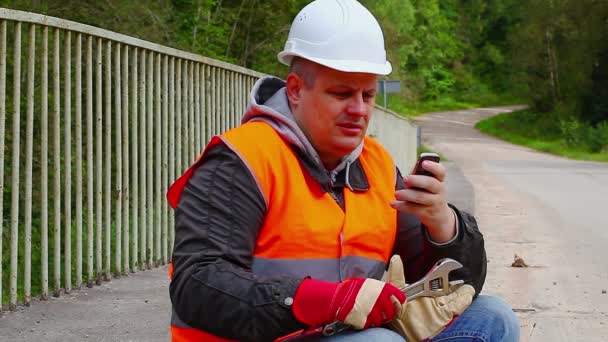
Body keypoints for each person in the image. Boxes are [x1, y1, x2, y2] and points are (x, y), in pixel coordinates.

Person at [166, 0, 520, 341]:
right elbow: (197, 283)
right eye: (341, 93)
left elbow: (452, 283)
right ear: (295, 90)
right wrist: (319, 301)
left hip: (346, 334)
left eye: (367, 96)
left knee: (493, 319)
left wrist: (444, 227)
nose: (358, 110)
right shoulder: (241, 160)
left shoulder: (378, 165)